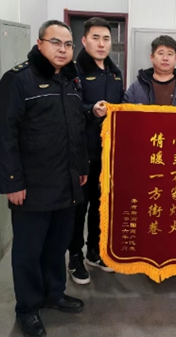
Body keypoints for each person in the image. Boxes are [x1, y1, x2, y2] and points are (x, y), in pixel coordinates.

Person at [0, 20, 89, 337]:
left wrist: (81, 168)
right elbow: (4, 135)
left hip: (66, 182)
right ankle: (27, 308)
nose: (62, 49)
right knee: (28, 252)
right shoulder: (18, 80)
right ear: (39, 44)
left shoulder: (71, 79)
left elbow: (76, 129)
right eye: (55, 42)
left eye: (68, 44)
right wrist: (12, 182)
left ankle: (53, 293)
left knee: (56, 246)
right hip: (32, 187)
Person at [67, 17, 124, 284]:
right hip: (82, 152)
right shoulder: (73, 70)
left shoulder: (115, 72)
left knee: (102, 205)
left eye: (106, 39)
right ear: (84, 40)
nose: (101, 44)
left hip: (108, 153)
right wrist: (91, 110)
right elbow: (68, 107)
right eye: (95, 38)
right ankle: (75, 256)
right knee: (80, 207)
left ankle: (94, 251)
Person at [123, 35, 176, 106]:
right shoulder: (137, 87)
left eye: (170, 54)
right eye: (161, 53)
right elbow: (122, 113)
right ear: (152, 57)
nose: (165, 58)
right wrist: (133, 113)